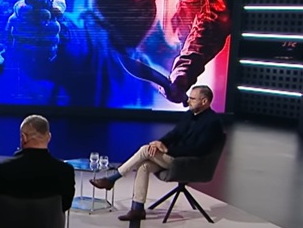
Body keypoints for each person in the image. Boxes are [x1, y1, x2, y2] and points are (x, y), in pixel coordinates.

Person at [90, 85, 224, 221]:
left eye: (192, 99)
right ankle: (137, 209)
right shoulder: (189, 115)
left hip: (186, 162)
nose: (188, 101)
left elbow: (198, 149)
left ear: (204, 101)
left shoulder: (212, 122)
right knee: (144, 166)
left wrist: (167, 150)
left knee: (145, 150)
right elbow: (174, 134)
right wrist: (158, 143)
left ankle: (112, 179)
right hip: (174, 157)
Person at [161, 0, 237, 105]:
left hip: (234, 13)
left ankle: (179, 80)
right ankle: (179, 81)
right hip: (211, 15)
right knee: (194, 47)